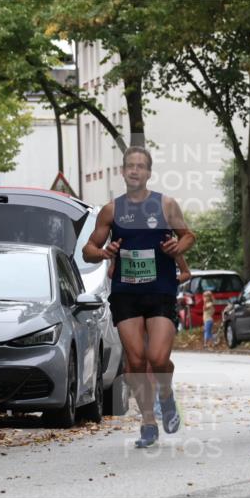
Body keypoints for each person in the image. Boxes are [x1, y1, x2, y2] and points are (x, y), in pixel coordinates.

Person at [82, 145, 196, 448]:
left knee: (158, 359)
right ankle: (148, 421)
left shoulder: (165, 205)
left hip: (160, 290)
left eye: (140, 166)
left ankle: (166, 397)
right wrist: (103, 252)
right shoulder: (111, 210)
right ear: (122, 171)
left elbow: (188, 236)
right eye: (129, 166)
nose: (134, 170)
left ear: (148, 172)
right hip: (126, 293)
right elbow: (88, 250)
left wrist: (178, 248)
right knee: (135, 360)